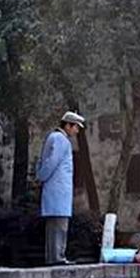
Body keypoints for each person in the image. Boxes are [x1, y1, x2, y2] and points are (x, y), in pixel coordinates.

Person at [36, 111, 85, 265]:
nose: (76, 131)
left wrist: (41, 176)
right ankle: (58, 257)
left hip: (54, 189)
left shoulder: (53, 138)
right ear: (68, 125)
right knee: (60, 226)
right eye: (76, 127)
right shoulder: (61, 140)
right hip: (58, 190)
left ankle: (52, 257)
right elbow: (51, 162)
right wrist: (42, 176)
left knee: (53, 227)